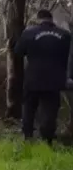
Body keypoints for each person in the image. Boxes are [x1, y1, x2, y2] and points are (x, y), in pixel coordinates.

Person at [14, 9, 71, 145]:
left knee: (29, 108)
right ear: (51, 20)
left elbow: (18, 52)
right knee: (50, 111)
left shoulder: (29, 33)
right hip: (55, 80)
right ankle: (47, 140)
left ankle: (28, 137)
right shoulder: (65, 35)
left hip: (32, 79)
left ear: (38, 19)